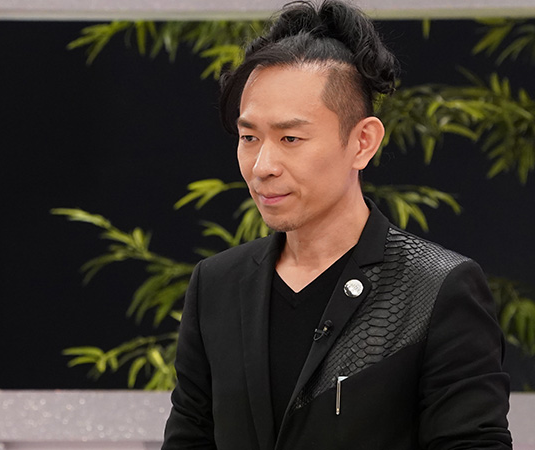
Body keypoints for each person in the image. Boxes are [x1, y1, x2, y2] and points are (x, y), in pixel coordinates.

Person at [162, 1, 512, 448]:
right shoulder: (217, 285)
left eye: (290, 138)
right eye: (249, 137)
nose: (262, 166)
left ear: (363, 142)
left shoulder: (436, 289)